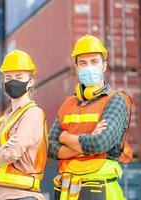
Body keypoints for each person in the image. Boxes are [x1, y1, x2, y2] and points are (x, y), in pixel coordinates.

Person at [48, 34, 132, 200]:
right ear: (76, 67)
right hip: (67, 191)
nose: (89, 67)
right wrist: (86, 142)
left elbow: (100, 143)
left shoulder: (115, 100)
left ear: (104, 66)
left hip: (101, 191)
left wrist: (66, 138)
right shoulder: (68, 104)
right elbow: (50, 147)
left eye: (94, 62)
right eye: (83, 63)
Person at [0, 49, 48, 200]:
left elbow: (12, 154)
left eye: (19, 76)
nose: (13, 81)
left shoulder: (33, 113)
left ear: (30, 81)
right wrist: (0, 149)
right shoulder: (2, 120)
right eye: (8, 77)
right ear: (3, 82)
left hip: (24, 196)